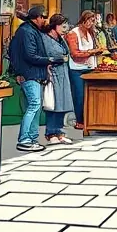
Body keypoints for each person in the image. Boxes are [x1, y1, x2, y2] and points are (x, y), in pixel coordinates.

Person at [9, 6, 50, 152]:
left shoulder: (31, 30)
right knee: (34, 105)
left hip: (33, 74)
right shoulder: (27, 31)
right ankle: (25, 139)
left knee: (35, 106)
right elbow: (30, 55)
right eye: (43, 17)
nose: (44, 20)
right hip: (30, 74)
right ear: (37, 17)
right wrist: (50, 59)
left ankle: (32, 138)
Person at [39, 14, 74, 144]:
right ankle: (51, 132)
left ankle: (59, 132)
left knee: (63, 103)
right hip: (52, 73)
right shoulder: (45, 39)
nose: (65, 29)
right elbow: (44, 55)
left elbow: (66, 53)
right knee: (53, 103)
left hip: (63, 72)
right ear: (55, 26)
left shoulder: (61, 39)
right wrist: (56, 60)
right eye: (62, 26)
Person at [66, 11, 101, 130]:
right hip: (77, 69)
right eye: (89, 20)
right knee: (79, 96)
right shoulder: (73, 33)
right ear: (83, 20)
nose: (91, 23)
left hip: (90, 67)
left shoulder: (91, 32)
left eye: (93, 21)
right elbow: (75, 53)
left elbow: (95, 47)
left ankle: (90, 119)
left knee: (90, 95)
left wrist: (97, 51)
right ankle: (80, 121)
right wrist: (92, 52)